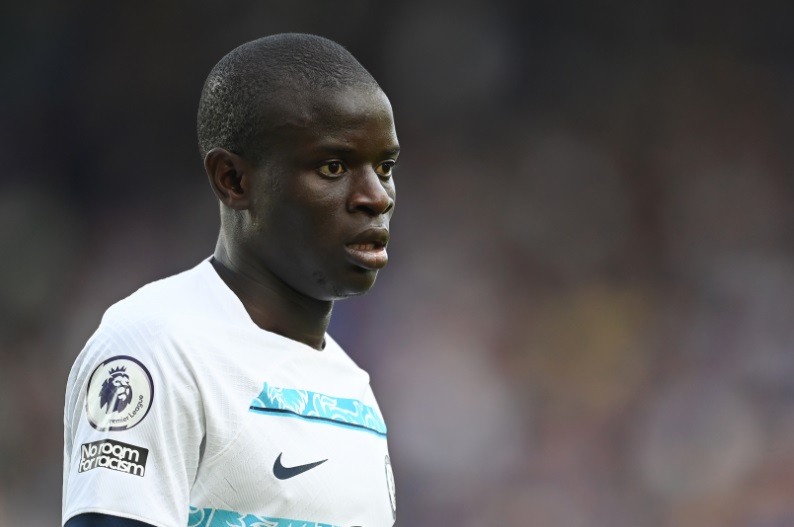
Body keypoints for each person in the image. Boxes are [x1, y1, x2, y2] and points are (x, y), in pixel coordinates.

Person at [62, 33, 399, 527]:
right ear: (233, 180)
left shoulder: (354, 391)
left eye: (385, 167)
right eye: (334, 166)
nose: (377, 196)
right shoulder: (157, 348)